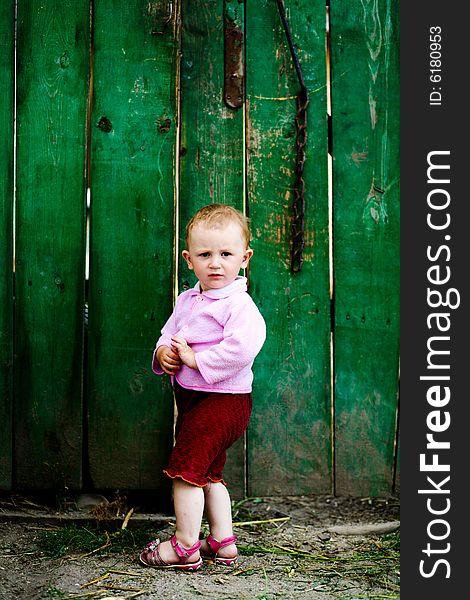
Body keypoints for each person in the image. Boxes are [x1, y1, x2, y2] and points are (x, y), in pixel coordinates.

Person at [140, 203, 266, 571]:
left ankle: (184, 547)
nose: (215, 263)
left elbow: (243, 347)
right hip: (195, 400)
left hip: (224, 401)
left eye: (226, 254)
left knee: (185, 472)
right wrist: (164, 352)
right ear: (189, 259)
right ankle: (223, 542)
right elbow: (169, 334)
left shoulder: (238, 305)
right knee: (209, 472)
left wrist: (197, 360)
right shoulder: (188, 300)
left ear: (244, 258)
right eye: (205, 254)